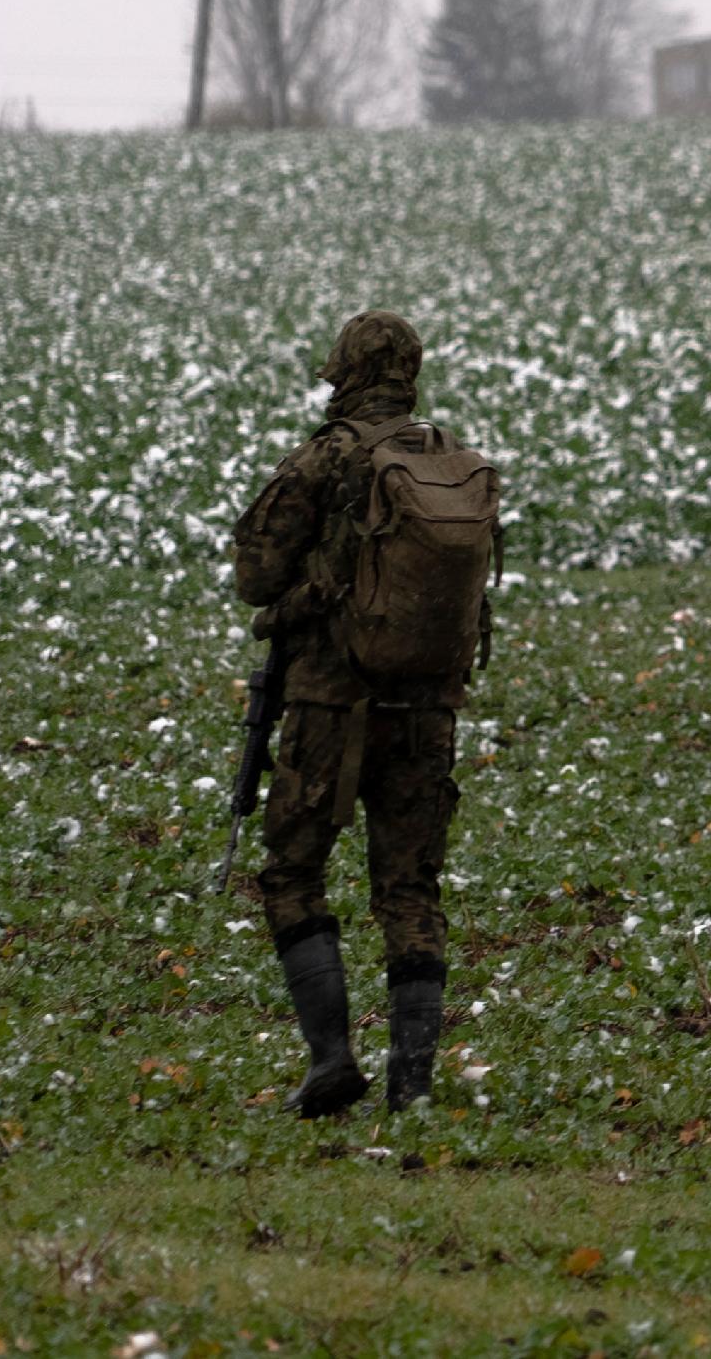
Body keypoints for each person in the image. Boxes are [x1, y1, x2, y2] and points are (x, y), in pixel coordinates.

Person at [232, 310, 495, 1115]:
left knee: (293, 873)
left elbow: (255, 573)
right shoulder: (448, 463)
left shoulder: (326, 459)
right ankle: (411, 1084)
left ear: (344, 370)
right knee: (410, 891)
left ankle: (332, 1060)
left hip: (330, 705)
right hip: (427, 707)